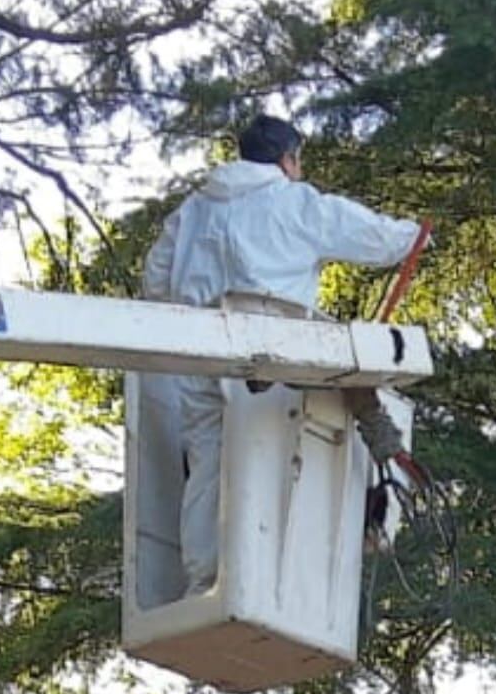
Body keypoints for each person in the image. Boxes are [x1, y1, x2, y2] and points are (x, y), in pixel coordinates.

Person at [142, 113, 424, 594]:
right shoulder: (296, 204)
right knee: (281, 462)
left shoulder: (193, 211)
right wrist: (416, 234)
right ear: (288, 159)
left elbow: (155, 279)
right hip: (272, 358)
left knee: (209, 465)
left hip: (200, 356)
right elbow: (373, 237)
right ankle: (269, 587)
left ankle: (205, 584)